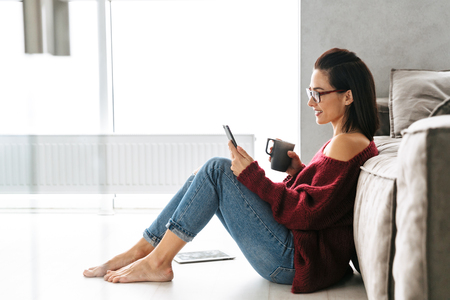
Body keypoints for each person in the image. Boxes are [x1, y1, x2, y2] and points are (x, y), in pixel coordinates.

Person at [83, 48, 379, 293]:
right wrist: (296, 171)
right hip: (299, 253)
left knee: (216, 170)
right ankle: (142, 250)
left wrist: (253, 176)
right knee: (202, 176)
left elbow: (306, 214)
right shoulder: (346, 142)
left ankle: (156, 261)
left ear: (348, 97)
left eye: (318, 93)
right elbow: (321, 202)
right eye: (309, 91)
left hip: (294, 260)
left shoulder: (346, 144)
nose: (310, 101)